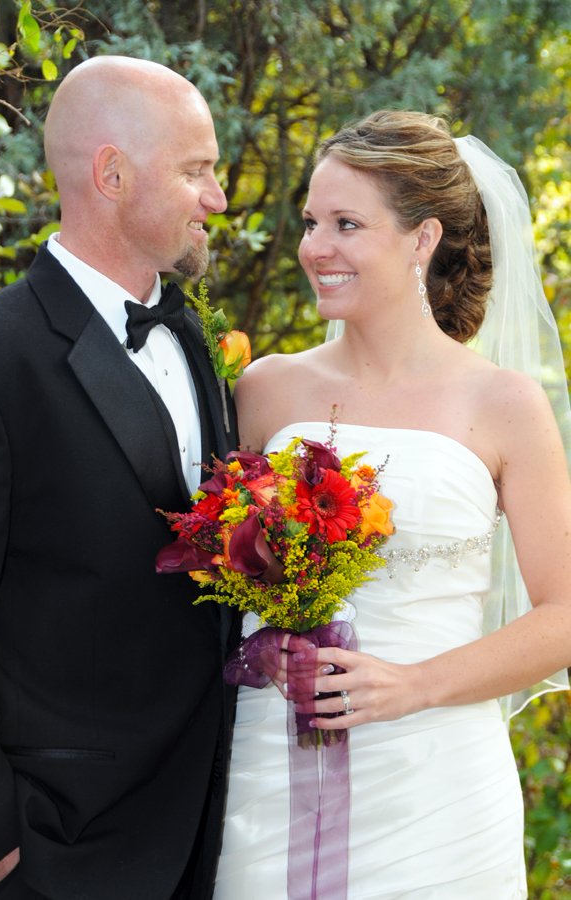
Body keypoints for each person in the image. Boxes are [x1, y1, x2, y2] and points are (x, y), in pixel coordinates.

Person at [213, 110, 571, 899]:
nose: (315, 248)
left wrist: (415, 685)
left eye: (346, 224)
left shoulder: (504, 402)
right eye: (311, 222)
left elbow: (564, 614)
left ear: (422, 239)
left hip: (435, 785)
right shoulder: (266, 388)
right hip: (267, 770)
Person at [0, 56, 240, 900]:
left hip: (206, 835)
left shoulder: (193, 341)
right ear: (112, 173)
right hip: (55, 846)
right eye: (197, 170)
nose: (218, 198)